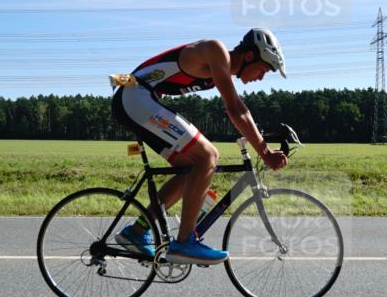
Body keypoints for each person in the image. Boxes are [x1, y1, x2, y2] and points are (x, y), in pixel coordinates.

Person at [111, 28, 289, 265]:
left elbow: (238, 108)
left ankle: (136, 232)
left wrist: (261, 141)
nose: (262, 77)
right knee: (208, 156)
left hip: (139, 99)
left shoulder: (220, 65)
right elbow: (235, 108)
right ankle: (185, 243)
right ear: (249, 57)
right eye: (264, 69)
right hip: (135, 96)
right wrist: (264, 152)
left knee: (192, 169)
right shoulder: (216, 50)